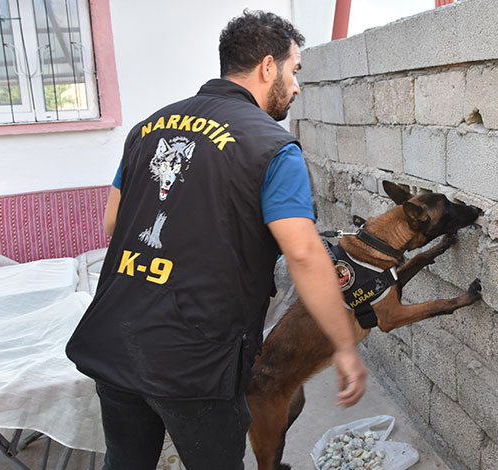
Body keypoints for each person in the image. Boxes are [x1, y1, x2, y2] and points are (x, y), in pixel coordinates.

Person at [67, 10, 366, 470]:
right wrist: (344, 344)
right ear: (268, 66)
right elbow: (305, 255)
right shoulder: (272, 146)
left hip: (115, 338)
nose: (297, 86)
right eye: (295, 70)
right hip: (194, 361)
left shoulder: (148, 128)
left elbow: (113, 223)